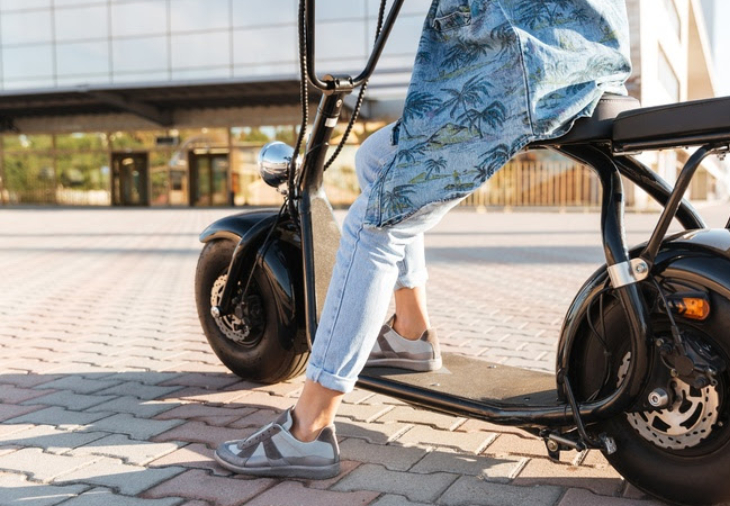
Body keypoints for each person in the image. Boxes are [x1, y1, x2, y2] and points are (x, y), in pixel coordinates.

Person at [214, 0, 632, 478]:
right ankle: (410, 334)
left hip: (518, 65)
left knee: (373, 225)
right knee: (376, 159)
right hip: (576, 56)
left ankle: (308, 426)